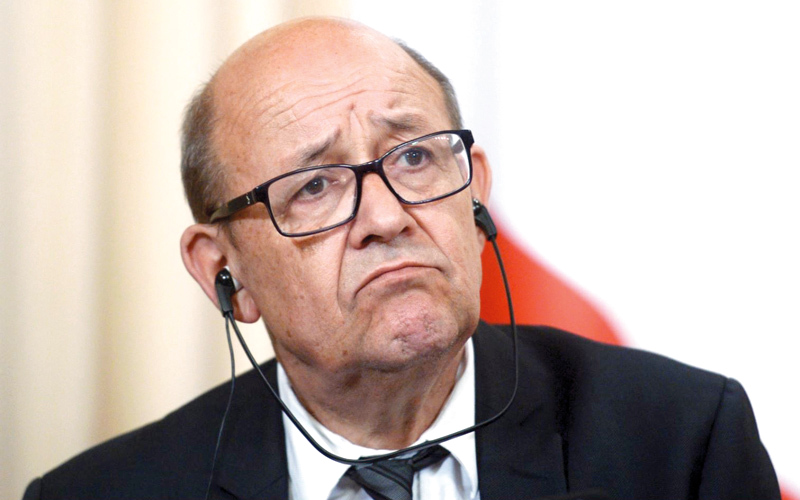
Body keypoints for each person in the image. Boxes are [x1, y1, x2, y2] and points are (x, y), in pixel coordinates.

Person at [22, 17, 779, 500]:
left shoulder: (681, 443)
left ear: (475, 197)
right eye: (313, 186)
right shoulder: (102, 493)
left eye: (415, 157)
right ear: (225, 270)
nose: (386, 218)